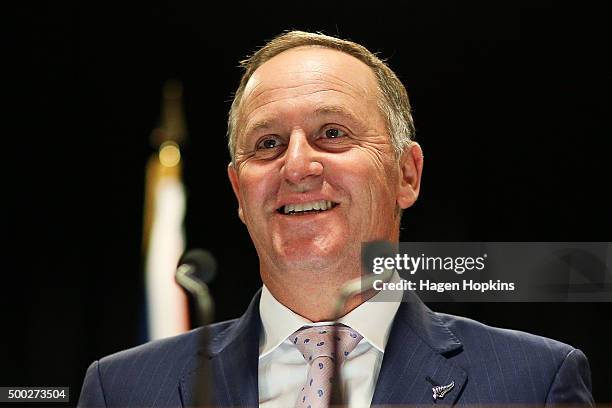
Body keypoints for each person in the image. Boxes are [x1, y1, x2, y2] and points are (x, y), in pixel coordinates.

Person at [78, 31, 594, 407]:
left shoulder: (534, 381)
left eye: (332, 133)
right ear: (238, 191)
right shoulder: (121, 389)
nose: (298, 166)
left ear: (406, 175)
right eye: (268, 144)